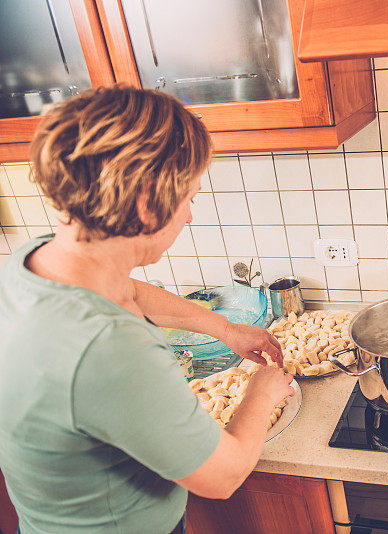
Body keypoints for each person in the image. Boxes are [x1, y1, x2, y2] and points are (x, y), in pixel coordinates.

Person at [0, 86, 294, 533]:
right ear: (146, 200)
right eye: (188, 199)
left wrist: (226, 329)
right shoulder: (108, 349)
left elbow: (130, 293)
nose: (190, 217)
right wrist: (264, 392)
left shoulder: (33, 262)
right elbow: (223, 476)